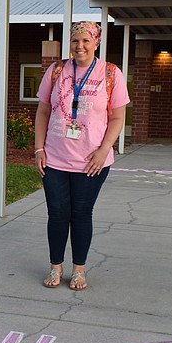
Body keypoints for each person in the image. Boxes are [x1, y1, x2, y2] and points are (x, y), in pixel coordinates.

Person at [34, 21, 130, 290]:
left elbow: (118, 117)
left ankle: (78, 270)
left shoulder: (110, 73)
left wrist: (104, 150)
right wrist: (39, 149)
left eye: (86, 41)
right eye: (76, 41)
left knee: (81, 213)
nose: (80, 46)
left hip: (92, 161)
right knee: (57, 213)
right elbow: (43, 111)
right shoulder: (56, 71)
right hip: (54, 158)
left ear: (96, 42)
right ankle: (55, 268)